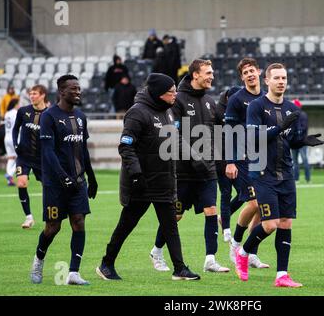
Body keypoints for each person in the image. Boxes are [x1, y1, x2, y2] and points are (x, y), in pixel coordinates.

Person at [96, 73, 200, 281]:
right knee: (126, 226)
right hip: (141, 184)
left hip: (164, 181)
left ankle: (180, 268)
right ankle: (106, 264)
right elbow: (126, 146)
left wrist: (195, 157)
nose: (175, 95)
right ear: (159, 94)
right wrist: (136, 174)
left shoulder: (169, 112)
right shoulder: (137, 113)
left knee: (170, 226)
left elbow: (175, 140)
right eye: (171, 92)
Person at [234, 63, 324, 287]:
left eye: (284, 78)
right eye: (277, 78)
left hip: (286, 172)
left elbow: (288, 138)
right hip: (263, 172)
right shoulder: (256, 106)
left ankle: (281, 275)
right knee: (271, 224)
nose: (281, 81)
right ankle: (243, 253)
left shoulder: (290, 107)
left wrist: (303, 140)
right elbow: (254, 137)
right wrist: (279, 127)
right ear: (267, 80)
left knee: (285, 223)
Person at [150, 59, 230, 273]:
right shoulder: (178, 100)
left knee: (211, 211)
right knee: (175, 215)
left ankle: (210, 259)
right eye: (208, 72)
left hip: (208, 170)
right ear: (195, 74)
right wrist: (194, 158)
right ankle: (156, 251)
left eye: (212, 72)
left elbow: (222, 132)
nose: (212, 76)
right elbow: (173, 133)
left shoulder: (210, 101)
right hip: (183, 172)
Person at [29, 75, 98, 285]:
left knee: (79, 222)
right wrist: (63, 178)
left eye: (79, 89)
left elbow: (83, 150)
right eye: (73, 89)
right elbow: (48, 153)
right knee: (53, 227)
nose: (78, 92)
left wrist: (92, 178)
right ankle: (38, 262)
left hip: (78, 182)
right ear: (62, 92)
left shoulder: (80, 116)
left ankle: (73, 273)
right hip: (55, 185)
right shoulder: (49, 116)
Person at [225, 57, 269, 269]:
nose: (250, 75)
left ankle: (251, 253)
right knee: (252, 203)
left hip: (262, 157)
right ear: (242, 77)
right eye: (245, 73)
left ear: (259, 72)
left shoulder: (266, 97)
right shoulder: (236, 99)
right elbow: (228, 132)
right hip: (242, 159)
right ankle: (235, 243)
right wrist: (230, 161)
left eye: (252, 70)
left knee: (262, 207)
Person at [13, 85, 48, 229]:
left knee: (48, 187)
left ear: (43, 95)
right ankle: (29, 217)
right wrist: (16, 144)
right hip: (24, 157)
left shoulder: (49, 114)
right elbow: (15, 128)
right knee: (21, 183)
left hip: (42, 159)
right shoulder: (23, 111)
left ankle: (50, 215)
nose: (32, 96)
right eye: (31, 94)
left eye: (35, 94)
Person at [216, 85, 243, 242]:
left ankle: (224, 217)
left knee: (244, 193)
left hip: (238, 158)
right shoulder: (218, 111)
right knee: (226, 193)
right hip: (221, 159)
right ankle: (226, 229)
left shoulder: (239, 109)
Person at [290, 99, 311, 183]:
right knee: (295, 162)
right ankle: (296, 178)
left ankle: (307, 178)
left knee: (304, 160)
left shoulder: (302, 115)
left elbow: (304, 127)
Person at [3, 98, 20, 187]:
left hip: (7, 137)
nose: (19, 105)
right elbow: (19, 125)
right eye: (18, 103)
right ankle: (9, 174)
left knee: (11, 158)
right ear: (15, 104)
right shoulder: (16, 113)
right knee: (20, 157)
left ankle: (9, 180)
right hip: (14, 137)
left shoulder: (7, 113)